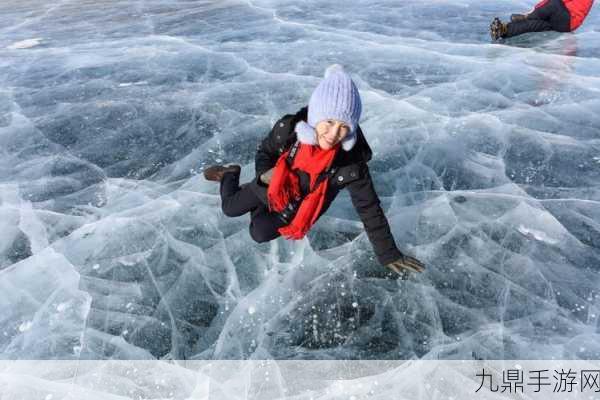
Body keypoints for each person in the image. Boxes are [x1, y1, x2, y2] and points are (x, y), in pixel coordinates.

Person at [203, 65, 425, 278]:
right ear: (316, 115)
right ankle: (230, 173)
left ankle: (259, 203)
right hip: (270, 182)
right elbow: (264, 151)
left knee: (259, 232)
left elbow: (369, 207)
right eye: (328, 122)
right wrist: (267, 178)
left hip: (301, 203)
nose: (334, 133)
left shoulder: (351, 162)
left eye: (344, 126)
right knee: (230, 208)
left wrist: (388, 254)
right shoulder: (289, 130)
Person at [490, 0, 594, 40]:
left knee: (554, 4)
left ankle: (527, 17)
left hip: (568, 19)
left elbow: (553, 3)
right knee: (535, 25)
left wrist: (532, 12)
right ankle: (504, 30)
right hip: (566, 24)